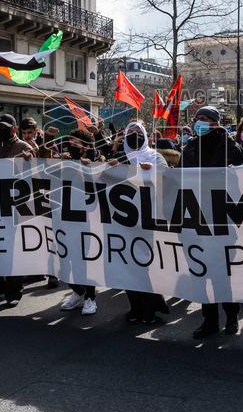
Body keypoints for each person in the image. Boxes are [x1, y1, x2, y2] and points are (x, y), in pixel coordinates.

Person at [182, 107, 243, 338]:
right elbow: (178, 177)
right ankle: (209, 320)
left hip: (223, 218)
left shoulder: (230, 146)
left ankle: (231, 316)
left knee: (222, 273)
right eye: (197, 119)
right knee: (201, 273)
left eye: (204, 119)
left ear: (214, 123)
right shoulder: (190, 147)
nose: (199, 122)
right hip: (196, 217)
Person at [108, 121, 171, 324]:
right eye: (131, 132)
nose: (135, 135)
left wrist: (153, 170)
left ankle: (151, 308)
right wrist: (109, 166)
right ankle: (135, 306)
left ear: (145, 135)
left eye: (138, 132)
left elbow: (168, 177)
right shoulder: (120, 157)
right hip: (124, 218)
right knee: (126, 263)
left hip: (148, 217)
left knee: (144, 264)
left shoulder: (155, 156)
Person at [0, 115, 35, 307]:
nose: (1, 131)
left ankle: (13, 290)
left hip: (13, 208)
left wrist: (29, 161)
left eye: (5, 128)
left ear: (14, 129)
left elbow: (35, 174)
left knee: (11, 251)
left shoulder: (23, 147)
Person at [59, 128, 105, 316]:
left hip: (88, 220)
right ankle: (78, 292)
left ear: (85, 146)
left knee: (85, 260)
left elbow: (102, 184)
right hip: (66, 218)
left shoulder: (97, 161)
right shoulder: (65, 161)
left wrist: (89, 169)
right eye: (69, 141)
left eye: (74, 142)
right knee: (66, 259)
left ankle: (90, 298)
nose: (70, 145)